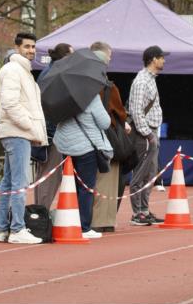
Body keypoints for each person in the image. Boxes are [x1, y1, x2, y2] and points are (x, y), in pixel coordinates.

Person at [0, 33, 47, 244]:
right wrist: (29, 124)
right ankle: (17, 229)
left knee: (8, 182)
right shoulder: (13, 70)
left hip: (16, 132)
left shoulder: (24, 72)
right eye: (27, 46)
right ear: (17, 48)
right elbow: (9, 103)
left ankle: (2, 229)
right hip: (17, 132)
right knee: (19, 182)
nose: (31, 50)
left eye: (33, 46)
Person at [53, 88, 113, 240]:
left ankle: (68, 222)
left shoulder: (61, 97)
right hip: (86, 147)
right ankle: (84, 226)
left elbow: (54, 118)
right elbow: (105, 123)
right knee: (86, 188)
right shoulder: (90, 96)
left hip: (65, 146)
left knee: (70, 187)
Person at [89, 41, 132, 233]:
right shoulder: (107, 85)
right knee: (109, 180)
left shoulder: (83, 81)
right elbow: (119, 113)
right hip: (107, 138)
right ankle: (103, 221)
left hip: (86, 139)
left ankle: (93, 220)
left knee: (92, 182)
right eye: (110, 56)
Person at [128, 45, 166, 226]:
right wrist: (148, 134)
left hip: (150, 130)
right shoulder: (142, 81)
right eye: (161, 57)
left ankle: (143, 210)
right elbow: (136, 110)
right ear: (153, 59)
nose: (164, 61)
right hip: (144, 132)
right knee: (140, 173)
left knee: (150, 173)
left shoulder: (149, 79)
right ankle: (137, 214)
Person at [33, 42, 73, 210]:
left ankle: (41, 209)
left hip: (46, 129)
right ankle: (41, 211)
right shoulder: (56, 75)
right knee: (50, 174)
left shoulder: (47, 72)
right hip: (51, 131)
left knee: (45, 173)